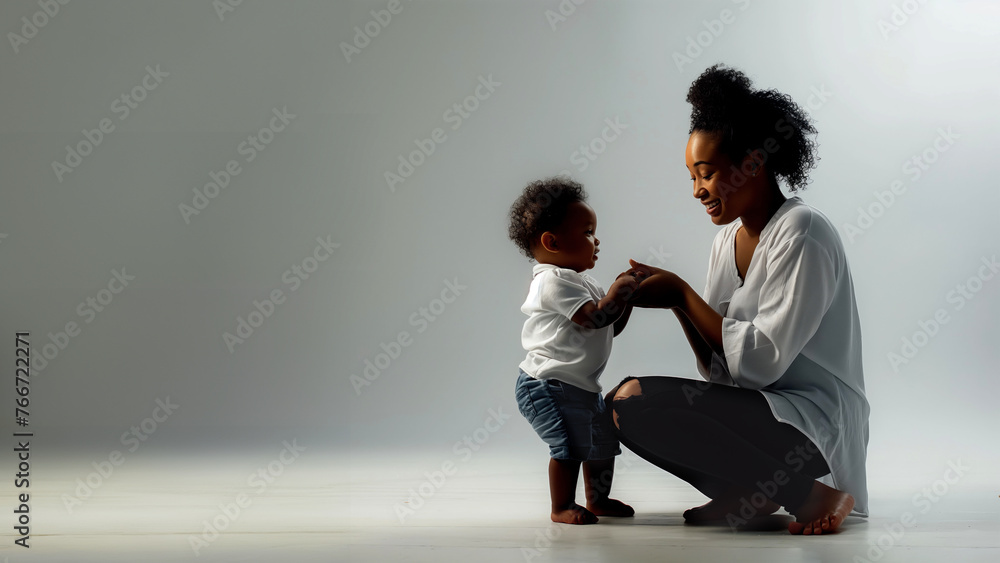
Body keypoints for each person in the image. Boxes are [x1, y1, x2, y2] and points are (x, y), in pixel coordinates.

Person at [606, 64, 870, 535]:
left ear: (752, 163)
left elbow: (761, 363)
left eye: (705, 174)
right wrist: (677, 304)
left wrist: (684, 294)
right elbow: (723, 371)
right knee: (620, 409)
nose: (697, 190)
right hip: (762, 416)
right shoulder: (724, 244)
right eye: (690, 177)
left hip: (813, 425)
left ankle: (815, 493)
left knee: (636, 399)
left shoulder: (803, 231)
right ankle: (755, 492)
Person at [508, 177, 643, 524]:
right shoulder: (551, 281)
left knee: (602, 443)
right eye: (587, 232)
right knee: (568, 447)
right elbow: (593, 317)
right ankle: (560, 507)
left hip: (581, 387)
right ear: (551, 242)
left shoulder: (584, 282)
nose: (596, 240)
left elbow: (609, 324)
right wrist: (616, 293)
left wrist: (624, 298)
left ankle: (599, 499)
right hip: (546, 385)